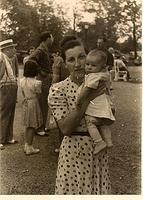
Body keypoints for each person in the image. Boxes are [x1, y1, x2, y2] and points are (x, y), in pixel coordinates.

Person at [48, 35, 111, 194]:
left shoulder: (98, 82)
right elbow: (66, 128)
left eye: (82, 57)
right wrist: (88, 99)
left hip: (97, 152)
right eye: (71, 59)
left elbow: (110, 115)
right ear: (64, 63)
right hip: (73, 155)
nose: (78, 64)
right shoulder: (58, 89)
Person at [76, 49, 115, 155]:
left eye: (93, 65)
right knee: (102, 123)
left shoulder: (94, 76)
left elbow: (87, 90)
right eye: (87, 64)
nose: (89, 67)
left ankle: (99, 142)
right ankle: (108, 140)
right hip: (104, 104)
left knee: (89, 121)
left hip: (97, 105)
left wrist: (79, 100)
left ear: (101, 67)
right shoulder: (104, 74)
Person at [29, 31, 54, 135]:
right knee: (42, 103)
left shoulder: (44, 49)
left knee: (44, 103)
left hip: (45, 79)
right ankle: (40, 128)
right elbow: (31, 60)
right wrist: (40, 71)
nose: (53, 40)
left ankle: (42, 126)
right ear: (47, 39)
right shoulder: (40, 49)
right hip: (42, 79)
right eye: (52, 37)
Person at [20, 60, 43, 155]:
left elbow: (22, 92)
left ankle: (27, 144)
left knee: (27, 125)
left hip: (26, 102)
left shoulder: (22, 81)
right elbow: (38, 94)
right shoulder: (37, 83)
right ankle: (29, 146)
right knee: (32, 125)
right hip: (33, 103)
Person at [0, 39, 18, 150]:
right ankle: (1, 138)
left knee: (10, 112)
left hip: (10, 86)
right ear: (6, 49)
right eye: (12, 48)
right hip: (6, 86)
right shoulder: (1, 57)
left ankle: (8, 137)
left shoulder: (6, 58)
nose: (14, 50)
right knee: (4, 113)